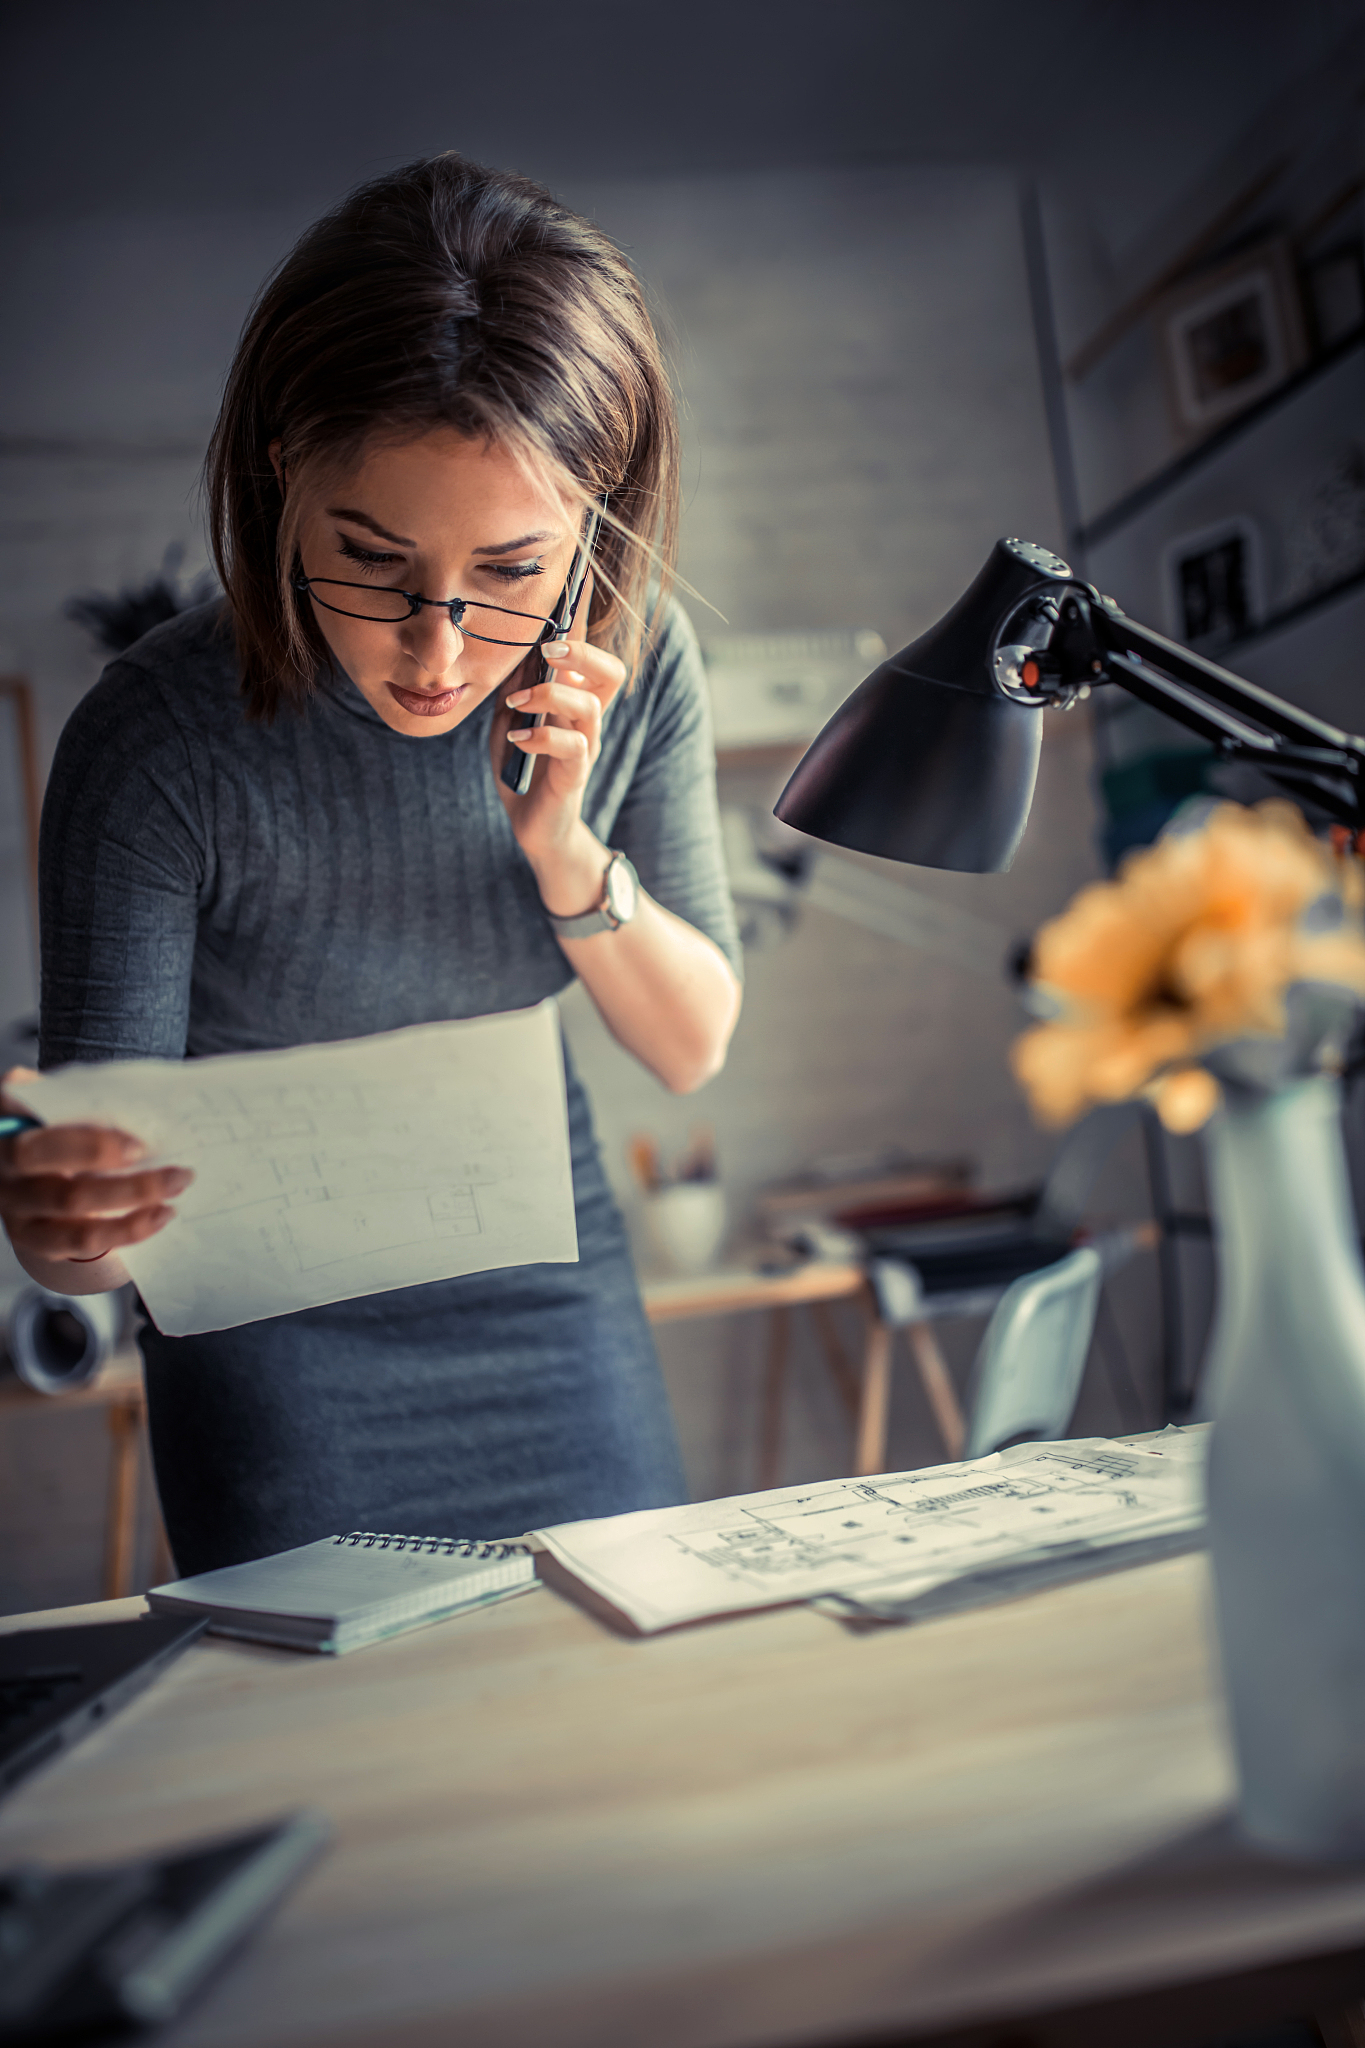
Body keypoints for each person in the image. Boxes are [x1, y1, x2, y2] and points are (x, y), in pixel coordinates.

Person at [0, 155, 742, 1574]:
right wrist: (54, 1220)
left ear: (597, 509)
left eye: (512, 572)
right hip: (267, 1335)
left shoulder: (634, 663)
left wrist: (558, 842)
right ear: (284, 467)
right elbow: (89, 1246)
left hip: (547, 1294)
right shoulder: (155, 743)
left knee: (617, 1697)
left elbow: (692, 1043)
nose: (441, 652)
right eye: (373, 563)